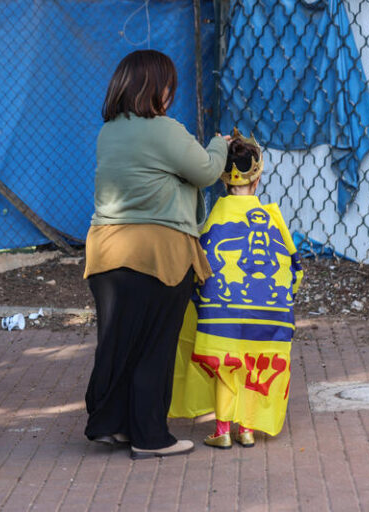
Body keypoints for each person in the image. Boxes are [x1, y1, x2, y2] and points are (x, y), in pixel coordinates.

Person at [83, 49, 229, 459]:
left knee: (117, 342)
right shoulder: (163, 129)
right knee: (154, 345)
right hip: (158, 253)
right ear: (153, 88)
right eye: (168, 86)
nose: (170, 94)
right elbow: (204, 170)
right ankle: (150, 437)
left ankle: (109, 425)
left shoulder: (108, 131)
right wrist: (219, 145)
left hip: (106, 252)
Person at [169, 130, 303, 448]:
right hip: (268, 315)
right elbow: (293, 268)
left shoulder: (215, 219)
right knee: (254, 361)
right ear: (257, 181)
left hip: (222, 317)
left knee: (226, 364)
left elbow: (198, 266)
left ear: (222, 181)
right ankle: (247, 428)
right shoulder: (273, 218)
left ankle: (223, 431)